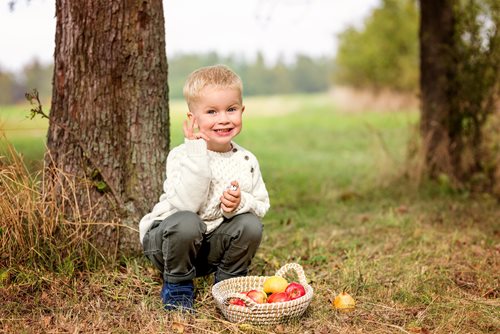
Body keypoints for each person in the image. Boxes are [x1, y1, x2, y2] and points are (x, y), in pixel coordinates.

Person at [139, 64, 270, 311]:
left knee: (250, 224)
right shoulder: (183, 156)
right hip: (167, 244)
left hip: (208, 247)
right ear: (193, 119)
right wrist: (197, 154)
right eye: (211, 111)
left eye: (231, 109)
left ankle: (228, 284)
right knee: (188, 221)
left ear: (242, 111)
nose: (223, 119)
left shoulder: (246, 160)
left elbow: (262, 204)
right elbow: (186, 206)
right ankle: (177, 286)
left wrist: (240, 204)